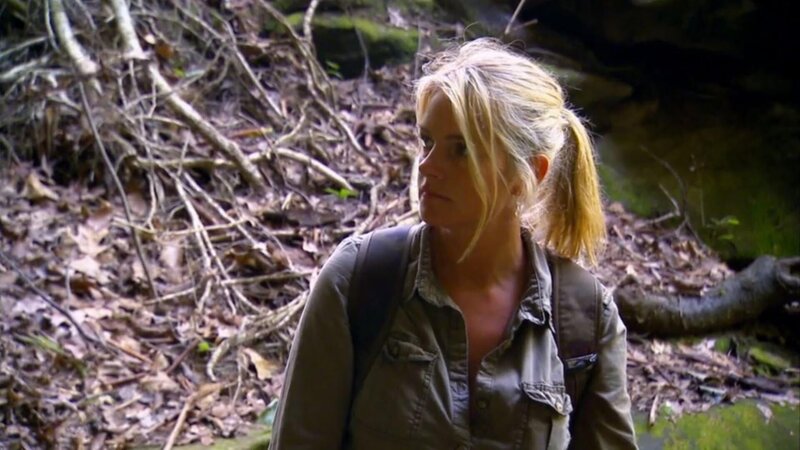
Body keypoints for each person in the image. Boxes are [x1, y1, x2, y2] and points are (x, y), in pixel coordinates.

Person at [269, 38, 637, 450]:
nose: (427, 167)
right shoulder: (361, 282)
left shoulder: (584, 319)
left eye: (461, 150)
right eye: (427, 142)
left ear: (528, 174)